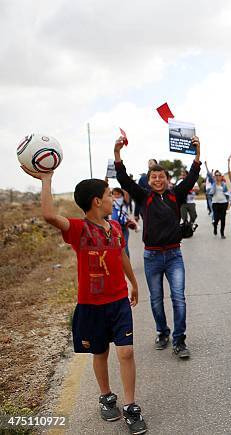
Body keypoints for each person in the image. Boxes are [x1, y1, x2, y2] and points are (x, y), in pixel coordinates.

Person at [21, 167, 147, 434]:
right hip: (91, 306)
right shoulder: (78, 229)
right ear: (96, 201)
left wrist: (133, 284)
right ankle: (106, 397)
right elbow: (48, 215)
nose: (113, 199)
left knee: (126, 351)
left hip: (118, 301)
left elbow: (121, 255)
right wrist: (46, 180)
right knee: (99, 352)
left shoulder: (114, 227)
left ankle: (131, 407)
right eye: (108, 196)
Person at [114, 135, 201, 358]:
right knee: (155, 299)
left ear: (167, 179)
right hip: (151, 257)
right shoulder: (144, 197)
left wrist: (197, 152)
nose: (158, 180)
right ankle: (162, 332)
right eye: (154, 177)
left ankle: (179, 341)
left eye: (161, 177)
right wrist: (117, 154)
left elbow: (192, 177)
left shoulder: (176, 195)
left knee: (178, 298)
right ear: (149, 180)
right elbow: (124, 181)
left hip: (174, 256)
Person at [206, 167, 229, 238]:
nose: (218, 176)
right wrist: (206, 166)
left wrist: (228, 203)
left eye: (219, 175)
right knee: (216, 218)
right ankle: (215, 227)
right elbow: (209, 175)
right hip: (215, 203)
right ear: (215, 176)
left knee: (223, 219)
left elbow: (227, 194)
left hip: (223, 203)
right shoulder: (213, 183)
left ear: (221, 176)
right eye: (216, 175)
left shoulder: (224, 184)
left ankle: (222, 233)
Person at [111, 187, 132, 257]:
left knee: (124, 246)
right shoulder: (112, 202)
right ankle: (121, 265)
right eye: (114, 194)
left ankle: (127, 264)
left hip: (124, 226)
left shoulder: (125, 201)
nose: (116, 196)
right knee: (116, 247)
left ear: (121, 194)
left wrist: (123, 183)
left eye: (118, 194)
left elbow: (126, 193)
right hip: (114, 227)